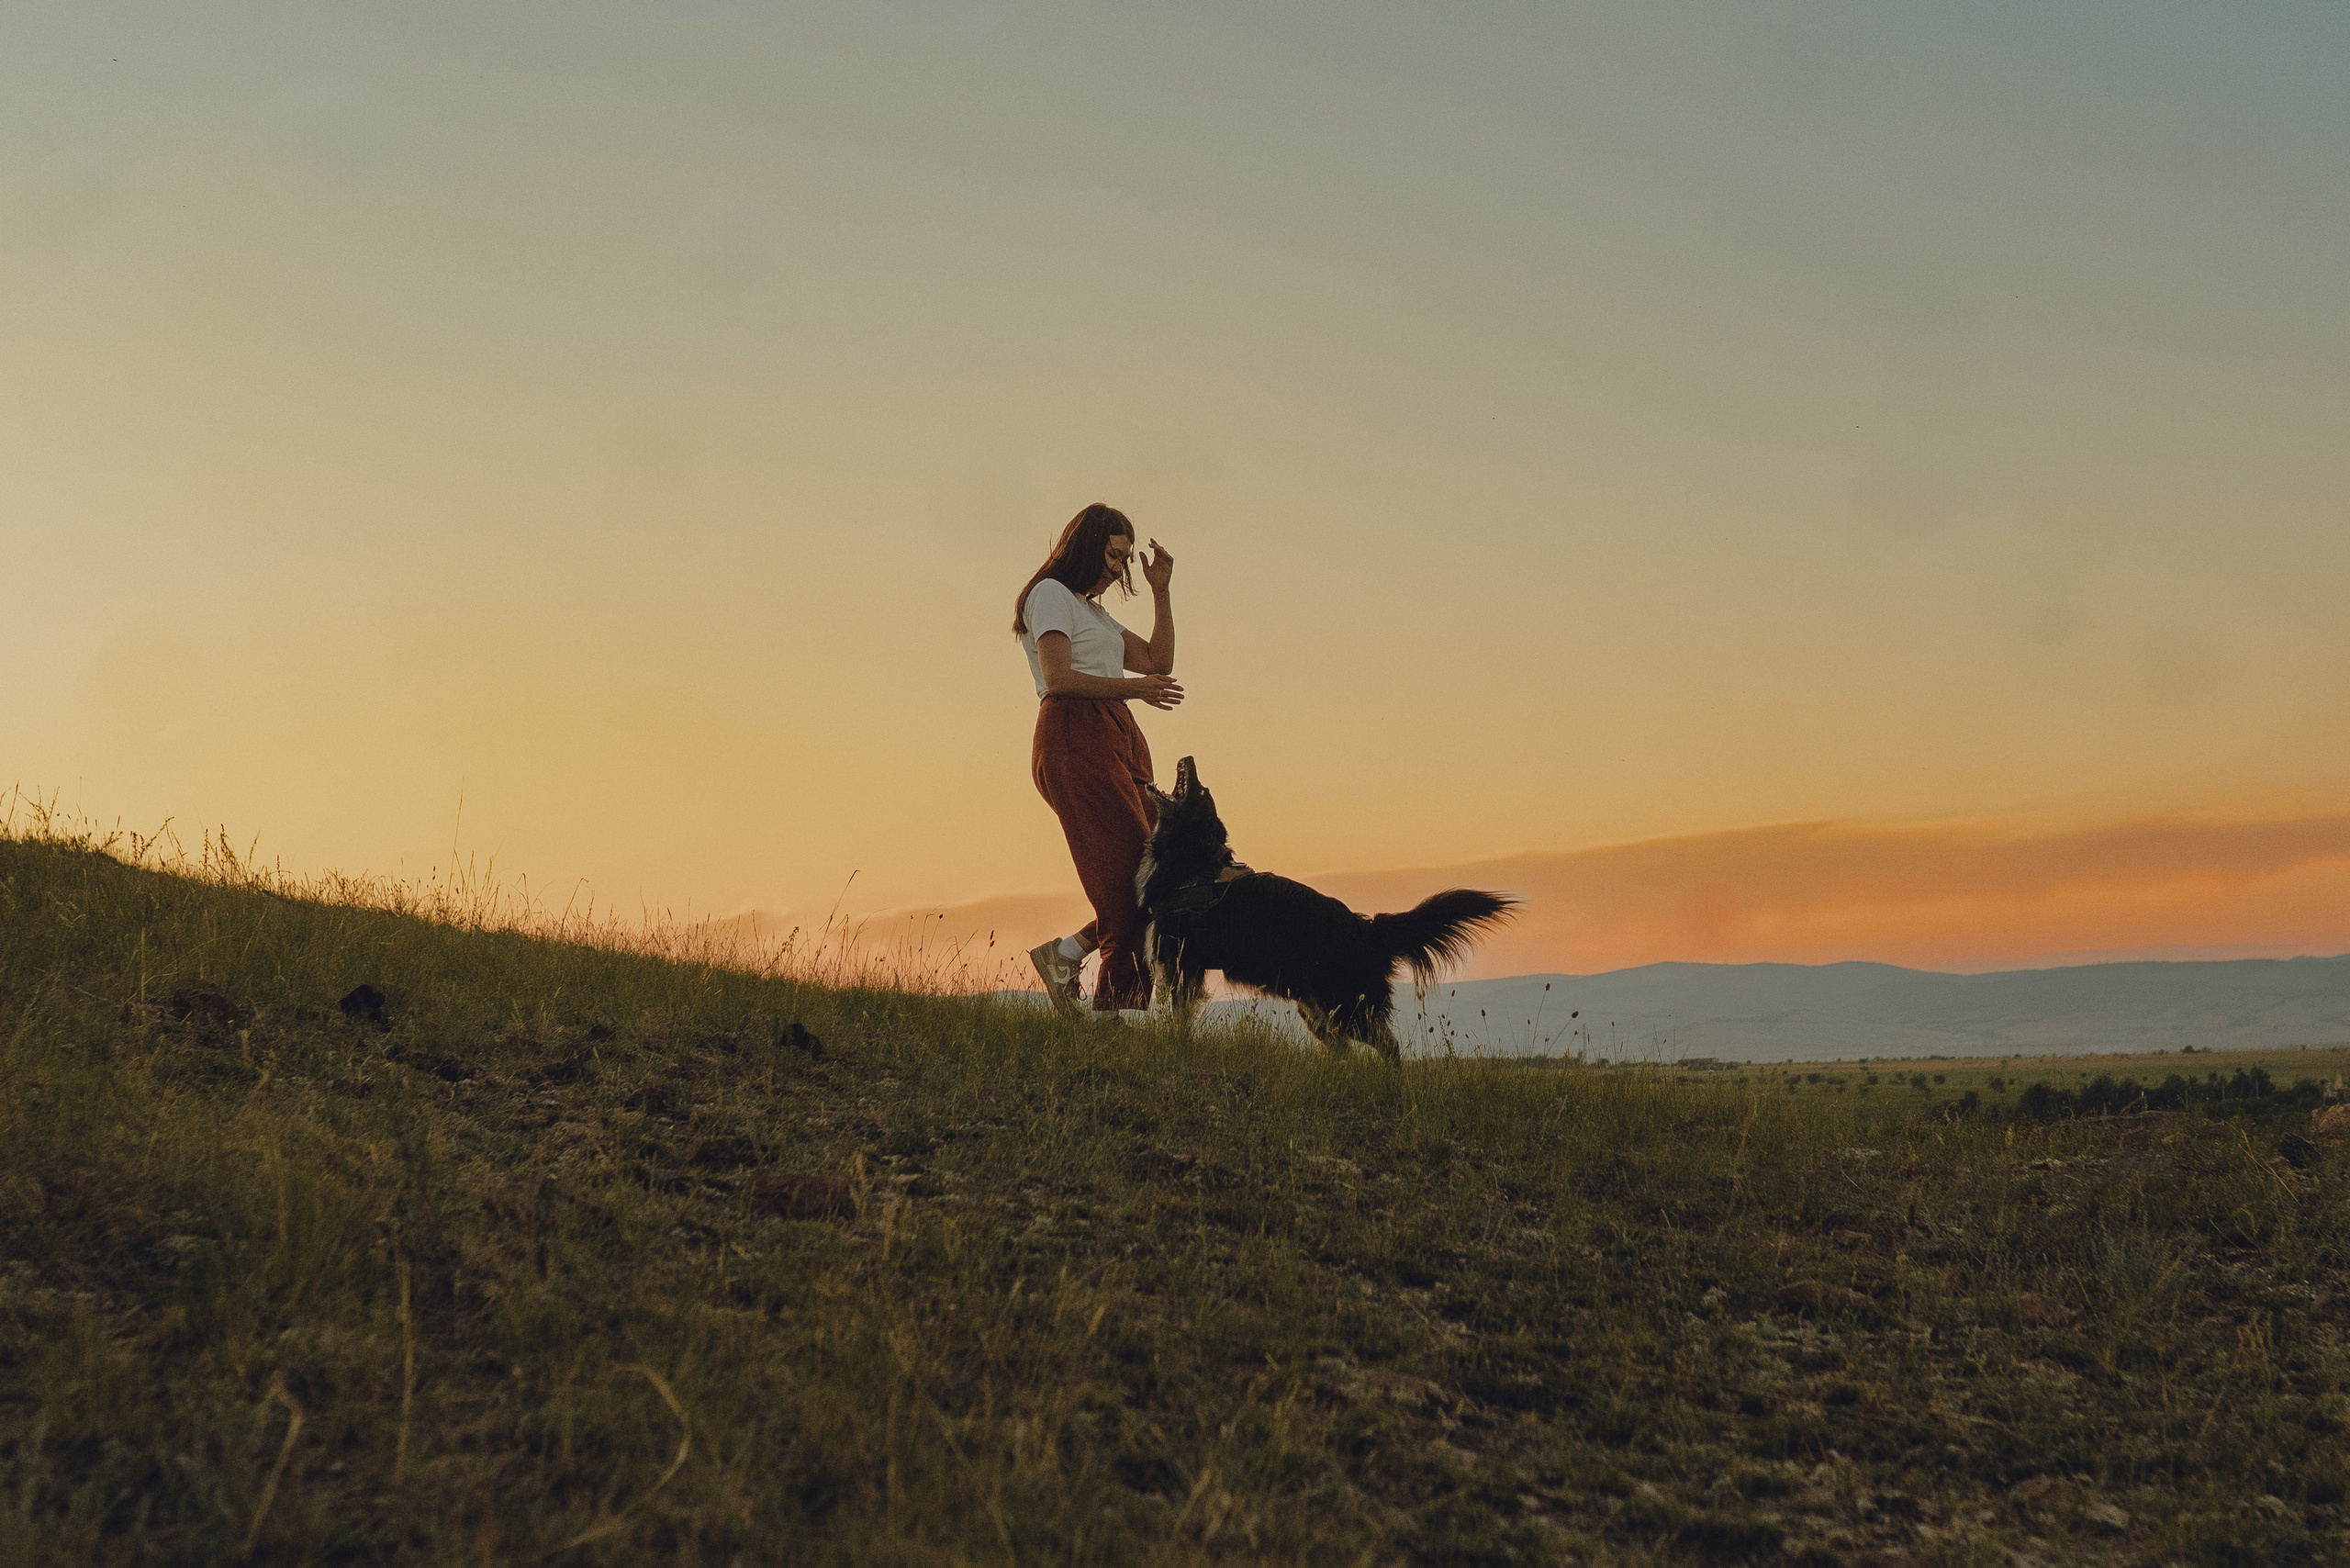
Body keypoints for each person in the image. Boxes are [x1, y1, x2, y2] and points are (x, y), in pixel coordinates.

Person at [1013, 504, 1181, 1014]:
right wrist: (1134, 690)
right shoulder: (1050, 595)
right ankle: (1117, 1021)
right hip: (1075, 735)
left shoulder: (1093, 611)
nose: (1119, 567)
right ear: (1086, 546)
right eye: (1113, 555)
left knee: (1163, 876)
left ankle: (1065, 955)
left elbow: (1157, 661)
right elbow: (1059, 678)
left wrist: (1161, 592)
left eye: (1125, 558)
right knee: (1129, 890)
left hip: (1117, 735)